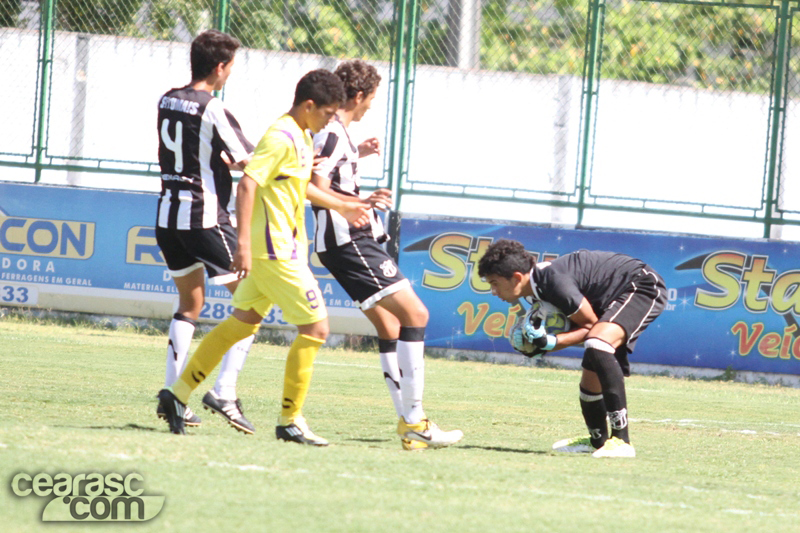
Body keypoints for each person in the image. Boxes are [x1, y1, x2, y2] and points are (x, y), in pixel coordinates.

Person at [157, 69, 371, 444]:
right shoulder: (281, 136)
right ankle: (291, 419)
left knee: (242, 321)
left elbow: (301, 187)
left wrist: (344, 206)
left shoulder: (303, 136)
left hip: (280, 250)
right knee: (317, 328)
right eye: (326, 113)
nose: (328, 122)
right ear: (308, 105)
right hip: (275, 253)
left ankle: (176, 396)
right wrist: (242, 245)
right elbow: (247, 184)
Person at [311, 60, 463, 450]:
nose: (369, 109)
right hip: (350, 241)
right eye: (370, 101)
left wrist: (357, 154)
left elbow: (329, 177)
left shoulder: (339, 136)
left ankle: (410, 424)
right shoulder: (331, 133)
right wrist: (361, 199)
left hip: (344, 243)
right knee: (416, 315)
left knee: (391, 327)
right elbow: (314, 186)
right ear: (358, 96)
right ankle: (415, 420)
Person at [477, 239, 666, 458]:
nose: (493, 291)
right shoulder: (533, 289)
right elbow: (582, 328)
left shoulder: (554, 282)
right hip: (609, 299)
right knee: (590, 383)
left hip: (640, 285)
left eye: (495, 283)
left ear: (517, 278)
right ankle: (598, 441)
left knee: (598, 342)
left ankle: (622, 441)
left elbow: (589, 326)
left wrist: (549, 343)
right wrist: (541, 343)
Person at [155, 29, 257, 434]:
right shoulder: (213, 108)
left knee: (189, 305)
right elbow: (251, 159)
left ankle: (172, 395)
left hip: (168, 216)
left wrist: (221, 162)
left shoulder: (167, 98)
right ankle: (224, 392)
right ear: (219, 67)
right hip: (206, 218)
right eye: (231, 66)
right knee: (252, 304)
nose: (231, 73)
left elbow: (193, 149)